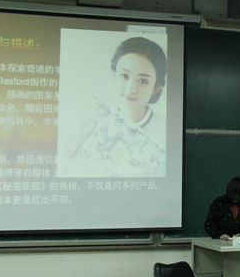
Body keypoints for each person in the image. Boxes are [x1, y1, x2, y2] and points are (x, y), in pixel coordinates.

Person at [64, 36, 167, 177]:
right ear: (114, 76)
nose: (131, 89)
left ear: (156, 88)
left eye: (143, 81)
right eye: (124, 76)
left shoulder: (166, 131)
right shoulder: (92, 122)